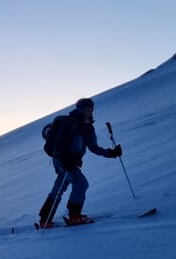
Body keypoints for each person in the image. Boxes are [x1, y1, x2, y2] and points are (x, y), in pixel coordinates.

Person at [37, 98, 122, 228]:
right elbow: (59, 145)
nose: (89, 111)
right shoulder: (69, 124)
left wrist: (111, 153)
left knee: (59, 188)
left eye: (90, 109)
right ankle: (74, 217)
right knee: (81, 183)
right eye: (86, 109)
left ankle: (45, 219)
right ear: (79, 109)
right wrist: (65, 160)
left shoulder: (88, 128)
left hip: (70, 162)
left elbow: (93, 147)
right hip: (63, 160)